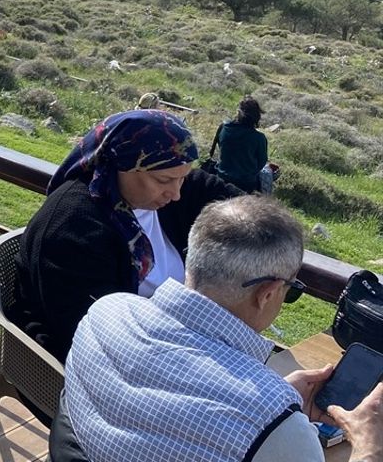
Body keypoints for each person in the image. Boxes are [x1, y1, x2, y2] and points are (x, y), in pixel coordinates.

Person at [51, 195, 383, 462]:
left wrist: (278, 403)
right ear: (267, 293)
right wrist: (370, 449)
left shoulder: (104, 312)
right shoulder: (275, 428)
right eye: (291, 289)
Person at [9, 109, 242, 363]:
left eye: (182, 179)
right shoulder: (72, 227)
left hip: (161, 344)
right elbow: (94, 335)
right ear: (119, 165)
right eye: (164, 180)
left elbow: (247, 209)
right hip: (81, 365)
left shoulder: (164, 186)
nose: (175, 193)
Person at [215, 96, 272, 194]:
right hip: (246, 184)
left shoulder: (224, 127)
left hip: (222, 178)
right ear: (257, 116)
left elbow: (220, 146)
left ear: (238, 112)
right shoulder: (259, 138)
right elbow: (261, 163)